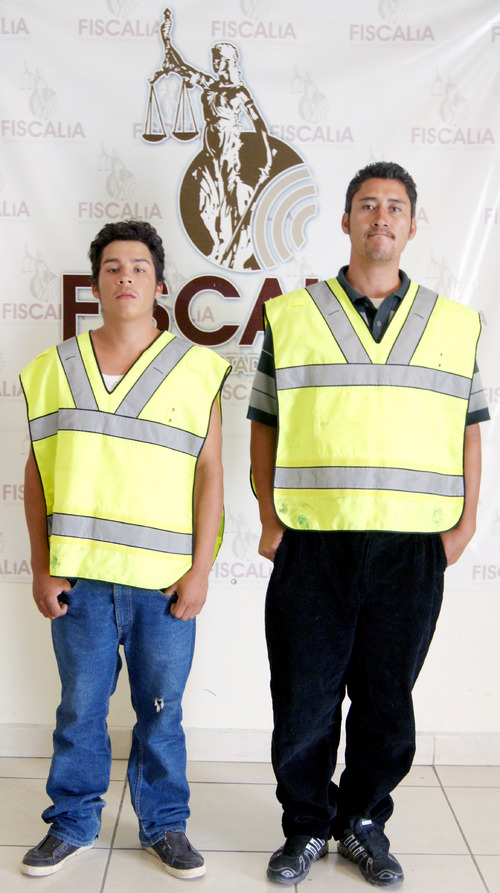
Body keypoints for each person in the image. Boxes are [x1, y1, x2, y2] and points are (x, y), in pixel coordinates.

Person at [248, 162, 489, 887]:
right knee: (304, 700)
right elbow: (264, 421)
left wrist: (465, 525)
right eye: (367, 205)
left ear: (412, 225)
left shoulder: (454, 325)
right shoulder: (292, 317)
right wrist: (268, 514)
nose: (380, 217)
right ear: (346, 220)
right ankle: (305, 825)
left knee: (387, 702)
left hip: (412, 547)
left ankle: (362, 822)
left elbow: (470, 430)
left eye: (394, 207)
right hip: (313, 540)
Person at [19, 220, 230, 879]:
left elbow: (211, 473)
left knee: (161, 713)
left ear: (160, 285)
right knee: (80, 710)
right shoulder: (54, 370)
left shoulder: (196, 370)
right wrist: (42, 565)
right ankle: (72, 823)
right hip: (79, 579)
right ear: (95, 284)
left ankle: (164, 825)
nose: (126, 277)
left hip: (162, 583)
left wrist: (200, 571)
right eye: (112, 267)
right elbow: (38, 473)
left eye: (139, 267)